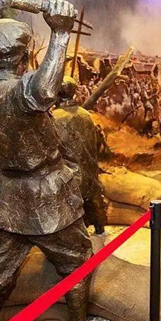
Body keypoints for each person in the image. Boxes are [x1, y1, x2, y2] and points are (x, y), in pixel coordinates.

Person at [0, 0, 91, 321]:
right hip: (45, 195)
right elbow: (42, 92)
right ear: (22, 56)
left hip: (9, 199)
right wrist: (60, 33)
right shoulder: (16, 93)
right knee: (78, 265)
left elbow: (39, 91)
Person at [52, 76, 110, 235]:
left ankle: (77, 236)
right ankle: (99, 228)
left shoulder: (55, 118)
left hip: (68, 171)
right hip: (89, 167)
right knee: (93, 200)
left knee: (69, 206)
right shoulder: (86, 114)